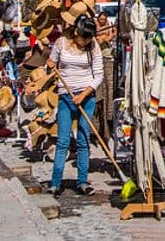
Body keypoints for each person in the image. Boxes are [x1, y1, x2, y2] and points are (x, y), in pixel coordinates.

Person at [46, 13, 103, 196]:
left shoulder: (94, 47)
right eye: (83, 37)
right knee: (63, 141)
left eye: (89, 38)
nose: (86, 41)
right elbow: (51, 64)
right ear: (76, 32)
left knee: (83, 140)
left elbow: (99, 75)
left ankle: (82, 182)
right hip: (65, 96)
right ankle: (55, 182)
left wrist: (84, 94)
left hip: (86, 98)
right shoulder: (61, 43)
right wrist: (49, 64)